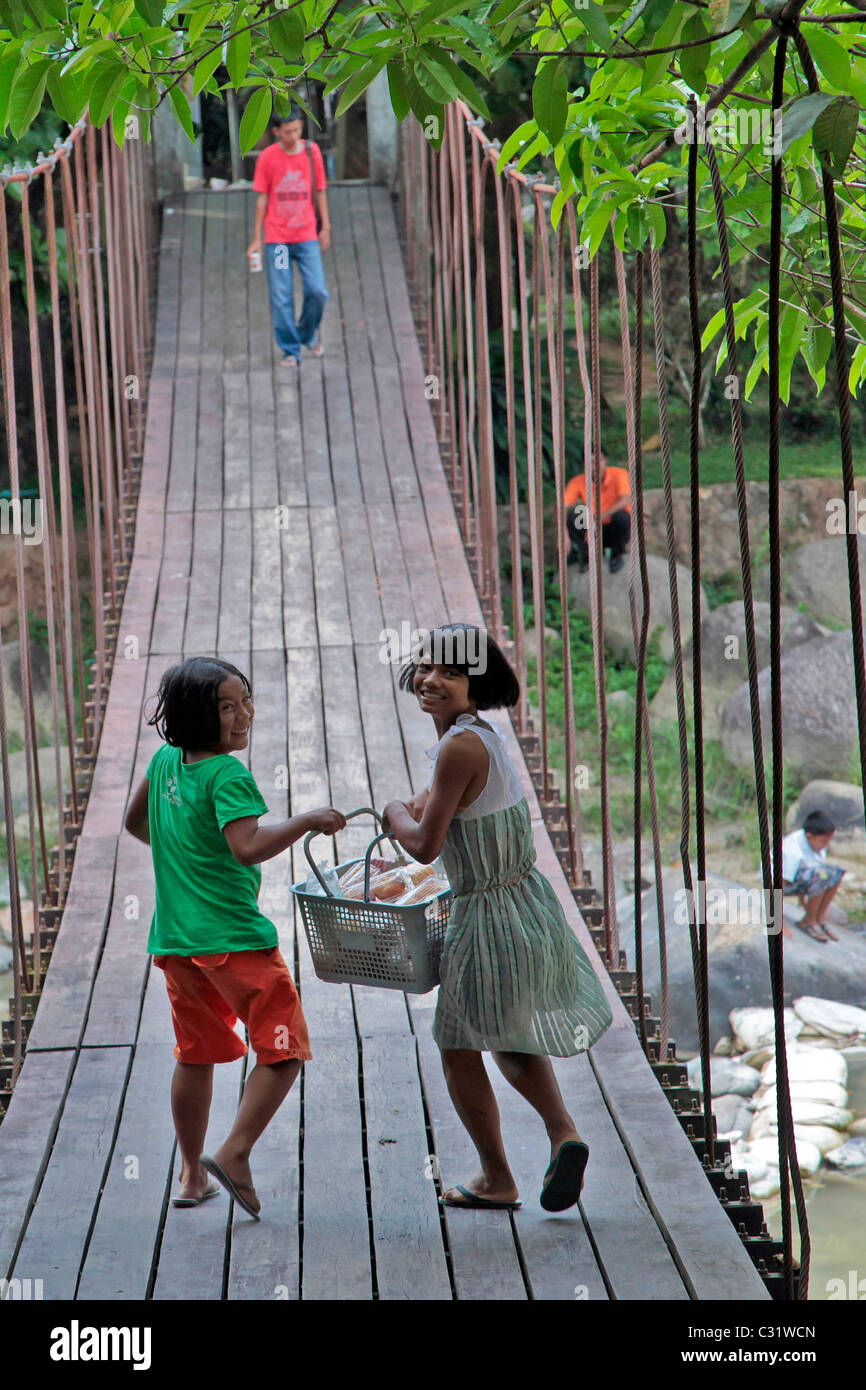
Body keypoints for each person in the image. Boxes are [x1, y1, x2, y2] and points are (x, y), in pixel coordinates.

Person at [382, 625, 613, 1212]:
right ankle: (565, 1134)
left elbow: (427, 845)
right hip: (525, 906)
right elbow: (458, 801)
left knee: (458, 1046)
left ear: (474, 686)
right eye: (427, 666)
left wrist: (392, 814)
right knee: (508, 1033)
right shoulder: (479, 736)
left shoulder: (458, 747)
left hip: (485, 918)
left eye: (451, 675)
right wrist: (421, 802)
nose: (432, 680)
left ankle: (496, 1178)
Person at [124, 657, 345, 1217]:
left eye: (245, 699)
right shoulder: (227, 775)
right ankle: (236, 1152)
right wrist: (307, 821)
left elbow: (134, 823)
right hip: (235, 942)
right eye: (227, 706)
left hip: (176, 945)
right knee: (285, 1047)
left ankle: (192, 1173)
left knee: (194, 1055)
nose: (243, 714)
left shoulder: (164, 761)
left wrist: (186, 858)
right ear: (198, 716)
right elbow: (247, 846)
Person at [247, 110, 331, 366]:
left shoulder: (311, 152)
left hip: (306, 236)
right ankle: (290, 349)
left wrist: (325, 226)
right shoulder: (267, 158)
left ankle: (305, 333)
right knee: (282, 295)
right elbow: (262, 199)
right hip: (279, 240)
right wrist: (256, 239)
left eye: (297, 130)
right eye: (287, 132)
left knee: (318, 291)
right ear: (276, 132)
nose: (293, 136)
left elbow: (320, 190)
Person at [781, 809, 846, 943]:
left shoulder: (816, 845)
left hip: (798, 878)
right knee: (821, 875)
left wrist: (803, 901)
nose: (827, 844)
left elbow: (810, 872)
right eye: (824, 840)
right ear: (810, 836)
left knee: (837, 873)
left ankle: (818, 918)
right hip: (777, 883)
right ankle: (807, 922)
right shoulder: (792, 851)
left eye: (829, 840)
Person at [564, 447, 631, 574]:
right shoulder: (577, 481)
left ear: (606, 460)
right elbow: (562, 506)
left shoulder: (619, 474)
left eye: (599, 460)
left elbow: (624, 501)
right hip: (591, 533)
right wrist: (563, 534)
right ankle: (588, 556)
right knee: (574, 515)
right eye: (590, 461)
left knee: (622, 516)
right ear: (584, 464)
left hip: (613, 529)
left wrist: (596, 520)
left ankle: (616, 555)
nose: (595, 465)